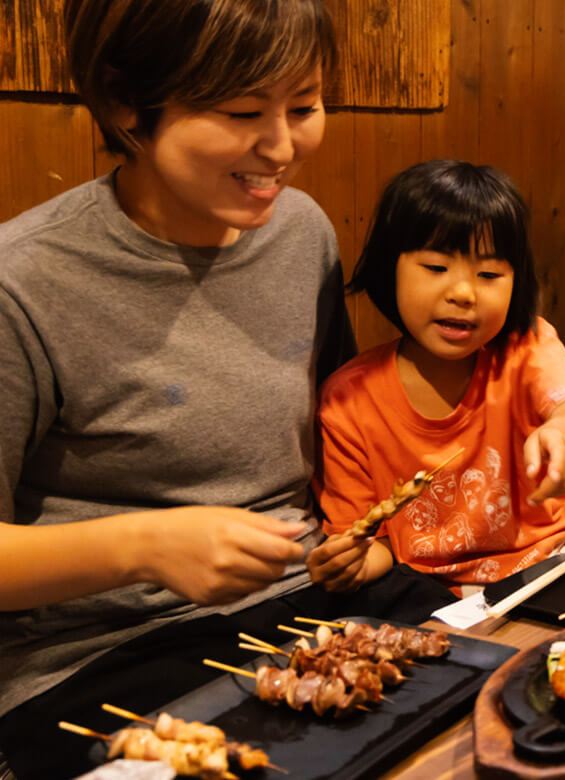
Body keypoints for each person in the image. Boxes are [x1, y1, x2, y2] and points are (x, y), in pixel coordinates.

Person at [0, 2, 453, 776]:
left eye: (304, 106)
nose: (281, 147)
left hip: (308, 600)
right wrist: (143, 547)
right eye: (244, 111)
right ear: (125, 102)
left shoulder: (301, 232)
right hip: (100, 655)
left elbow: (341, 433)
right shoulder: (25, 282)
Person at [308, 160, 565, 592]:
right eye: (436, 268)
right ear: (390, 268)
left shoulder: (526, 347)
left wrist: (564, 436)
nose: (463, 293)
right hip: (435, 597)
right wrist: (348, 566)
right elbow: (374, 544)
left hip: (554, 561)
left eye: (489, 275)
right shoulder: (347, 401)